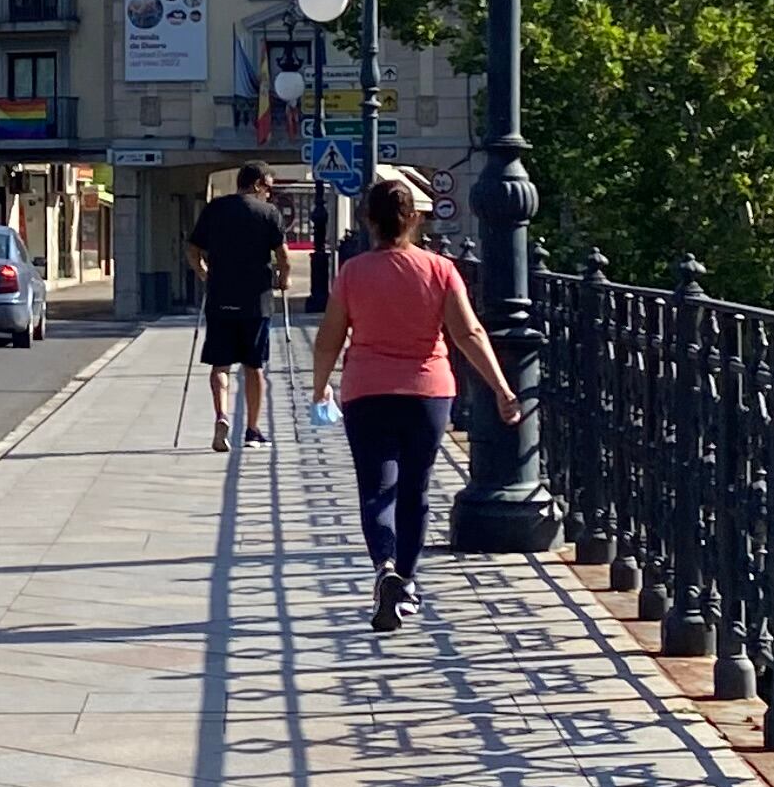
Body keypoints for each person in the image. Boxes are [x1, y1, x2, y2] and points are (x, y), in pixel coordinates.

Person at [309, 172, 523, 634]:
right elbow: (468, 333)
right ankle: (405, 580)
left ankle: (384, 567)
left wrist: (319, 387)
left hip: (367, 391)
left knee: (376, 488)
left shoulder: (352, 273)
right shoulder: (440, 270)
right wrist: (502, 388)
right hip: (428, 393)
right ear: (413, 220)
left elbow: (329, 338)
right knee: (415, 491)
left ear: (369, 220)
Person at [186, 162, 287, 453]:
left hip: (220, 298)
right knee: (254, 367)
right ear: (257, 185)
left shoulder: (215, 209)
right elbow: (283, 256)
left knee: (221, 365)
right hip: (256, 302)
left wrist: (204, 272)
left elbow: (193, 250)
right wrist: (284, 279)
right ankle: (253, 431)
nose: (269, 194)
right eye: (268, 187)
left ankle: (221, 415)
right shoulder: (268, 214)